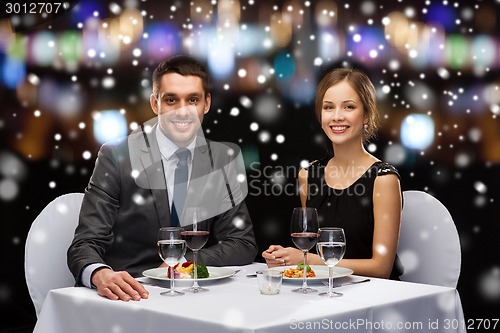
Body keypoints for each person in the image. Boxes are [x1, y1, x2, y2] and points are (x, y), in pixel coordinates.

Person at [68, 55, 258, 301]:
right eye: (171, 100)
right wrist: (100, 274)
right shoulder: (116, 156)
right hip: (131, 296)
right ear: (155, 104)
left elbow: (242, 243)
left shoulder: (220, 160)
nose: (183, 111)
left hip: (196, 296)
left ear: (206, 104)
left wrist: (183, 264)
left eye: (193, 99)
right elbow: (84, 244)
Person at [262, 67, 403, 279]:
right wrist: (283, 258)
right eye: (329, 107)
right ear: (321, 116)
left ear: (366, 115)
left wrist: (306, 260)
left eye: (348, 107)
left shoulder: (383, 179)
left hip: (373, 295)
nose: (337, 116)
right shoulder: (307, 176)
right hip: (323, 293)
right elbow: (309, 249)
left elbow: (381, 268)